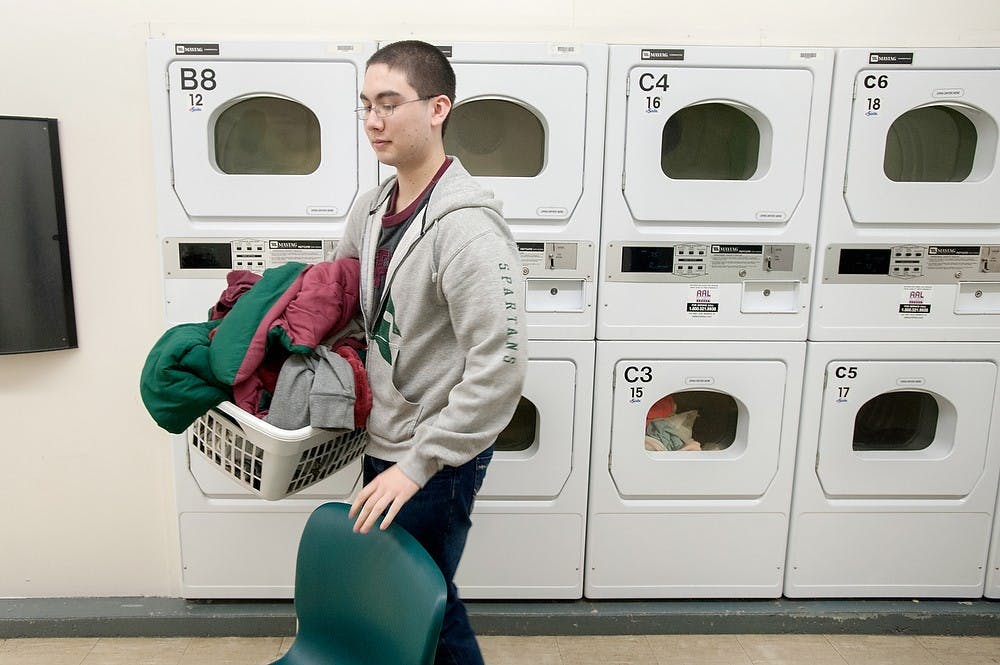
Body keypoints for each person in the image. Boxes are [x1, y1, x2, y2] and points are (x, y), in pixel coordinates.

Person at [334, 40, 527, 665]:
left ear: (439, 108)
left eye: (390, 104)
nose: (373, 120)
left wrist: (419, 465)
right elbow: (342, 307)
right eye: (366, 105)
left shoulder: (467, 227)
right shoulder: (369, 210)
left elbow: (500, 367)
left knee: (425, 606)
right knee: (406, 599)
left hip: (436, 459)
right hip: (384, 440)